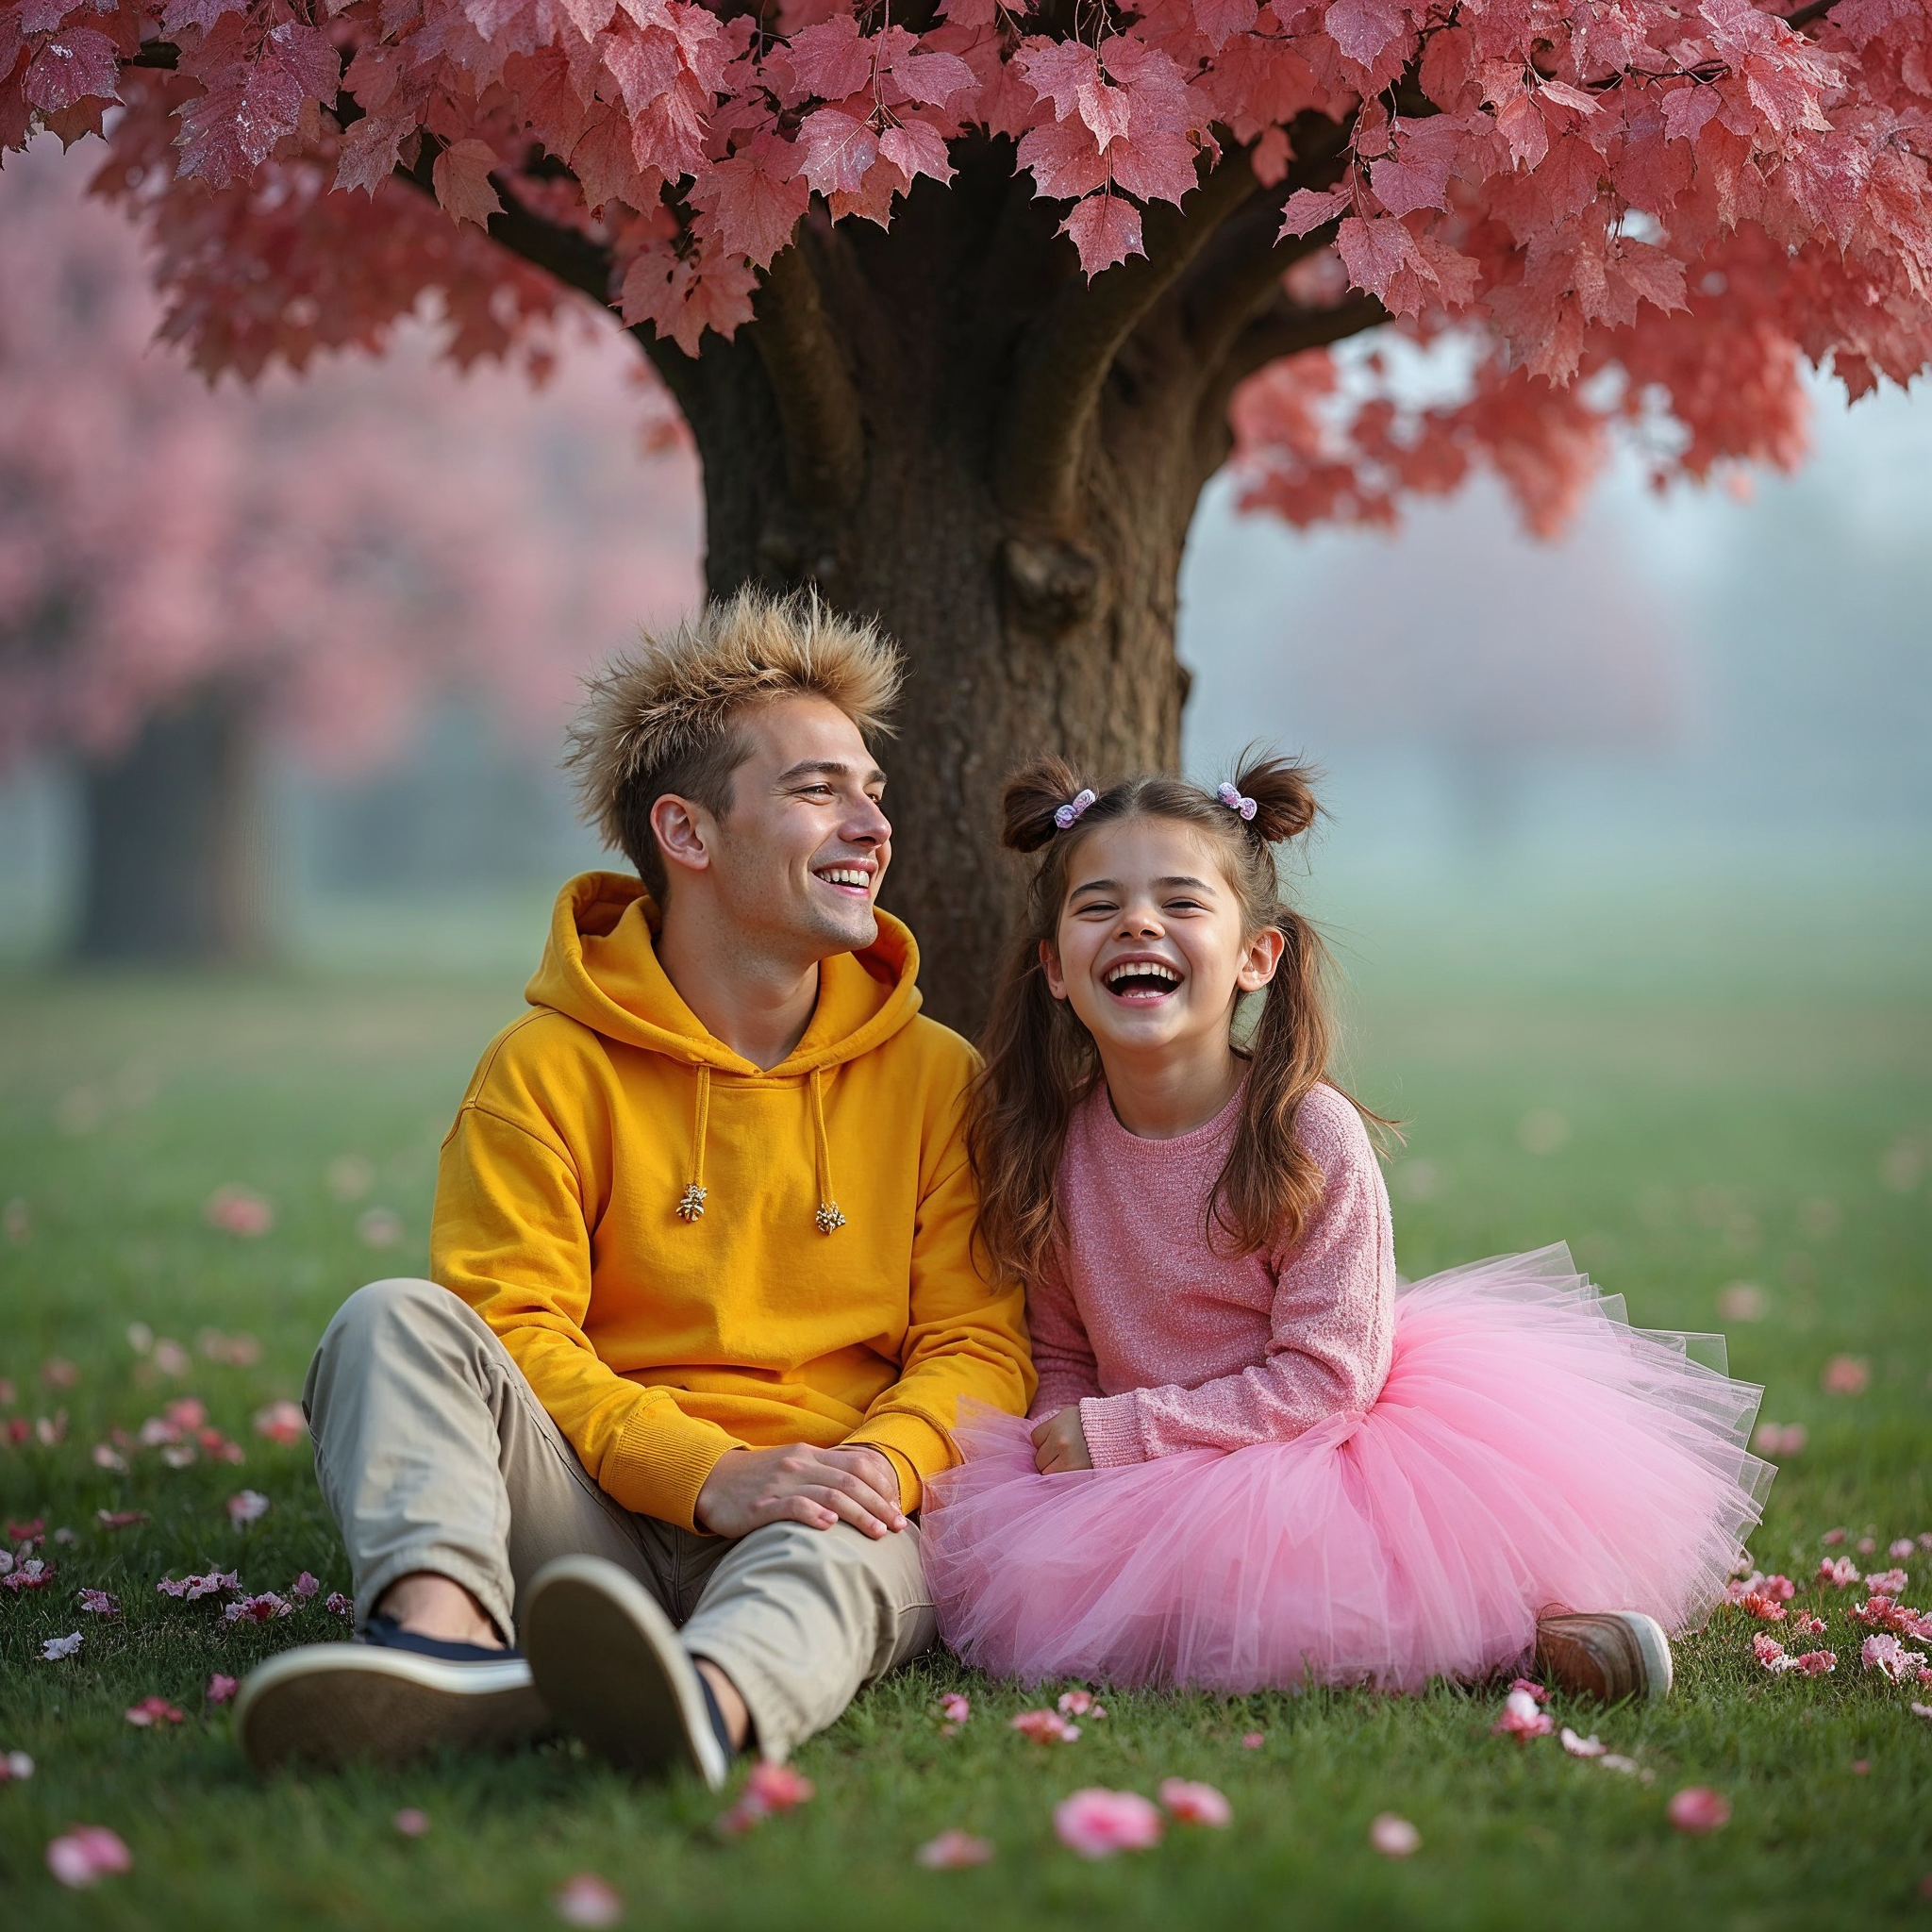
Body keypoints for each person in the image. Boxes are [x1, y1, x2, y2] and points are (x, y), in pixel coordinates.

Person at [235, 590, 1034, 1781]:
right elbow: (511, 1321)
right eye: (817, 789)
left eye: (871, 789)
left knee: (853, 1552)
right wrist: (702, 1473)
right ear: (688, 832)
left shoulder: (934, 1077)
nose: (870, 823)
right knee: (389, 1320)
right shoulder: (546, 1067)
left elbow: (978, 1336)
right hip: (585, 1514)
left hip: (817, 1501)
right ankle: (442, 1643)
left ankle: (699, 1707)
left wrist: (878, 1462)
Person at [921, 754, 1773, 1700]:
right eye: (1098, 905)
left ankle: (1538, 1632)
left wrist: (1123, 1432)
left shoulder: (1300, 1133)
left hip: (1314, 1446)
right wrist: (1059, 1440)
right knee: (1075, 1581)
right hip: (1141, 1461)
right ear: (1052, 967)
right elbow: (1060, 1344)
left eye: (1179, 900)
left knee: (1370, 1596)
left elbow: (1327, 1378)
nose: (1136, 922)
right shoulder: (1052, 1141)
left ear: (1255, 955)